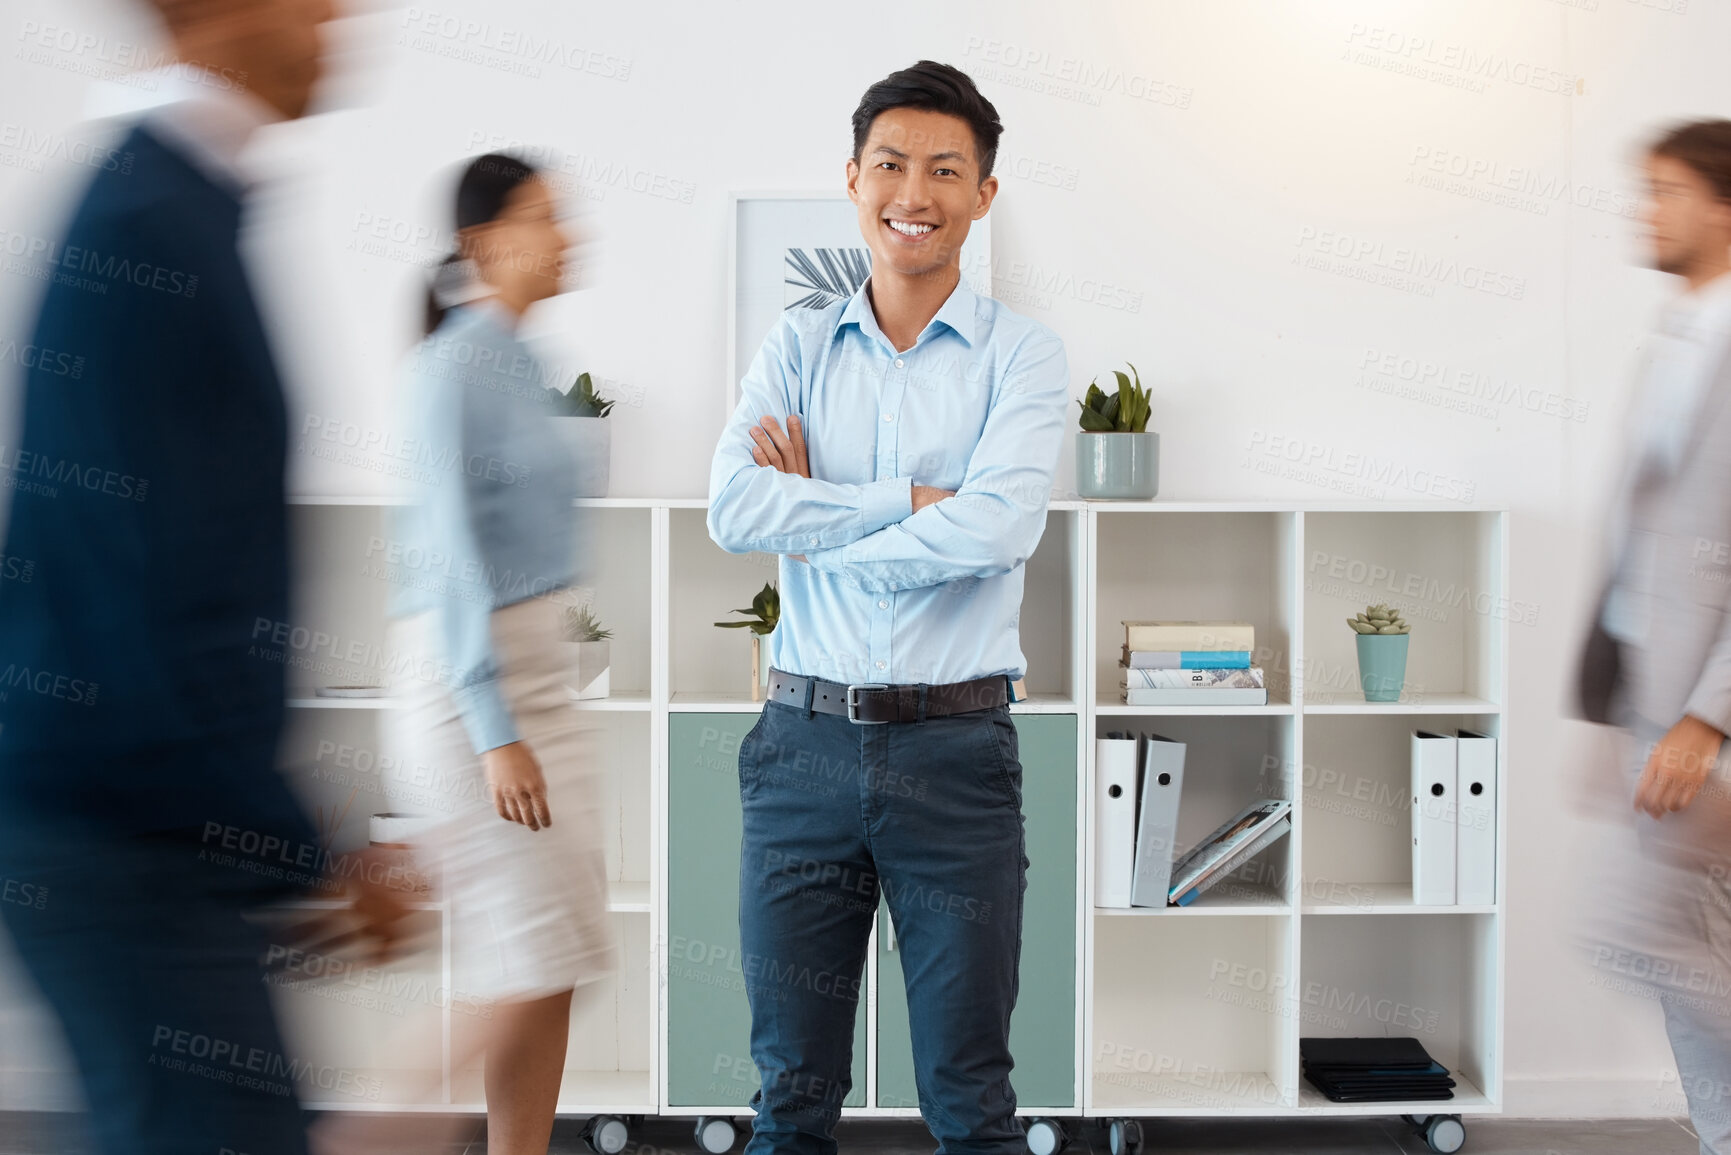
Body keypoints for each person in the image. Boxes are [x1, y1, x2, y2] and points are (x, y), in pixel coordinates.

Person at [0, 2, 407, 1155]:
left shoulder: (184, 207)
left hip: (133, 823)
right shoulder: (149, 224)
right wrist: (299, 847)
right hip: (119, 836)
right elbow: (142, 602)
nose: (341, 14)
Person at [707, 60, 1068, 1155]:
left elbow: (999, 530)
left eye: (946, 170)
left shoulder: (1023, 355)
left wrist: (819, 518)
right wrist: (906, 505)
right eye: (893, 164)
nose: (916, 190)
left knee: (970, 1096)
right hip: (802, 749)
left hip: (956, 754)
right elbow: (733, 507)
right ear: (854, 180)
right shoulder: (797, 346)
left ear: (984, 194)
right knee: (791, 1096)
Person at [382, 152, 616, 1155]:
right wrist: (492, 729)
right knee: (527, 961)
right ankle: (360, 1135)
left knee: (556, 957)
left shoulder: (521, 364)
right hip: (470, 689)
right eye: (545, 219)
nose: (568, 236)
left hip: (538, 682)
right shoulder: (449, 370)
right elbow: (449, 560)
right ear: (482, 244)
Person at [1576, 118, 1731, 1155]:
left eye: (1667, 191)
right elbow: (1645, 545)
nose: (1647, 209)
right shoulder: (1675, 341)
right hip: (1652, 697)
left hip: (1705, 713)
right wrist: (1614, 707)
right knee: (1673, 957)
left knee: (1665, 943)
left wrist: (1707, 720)